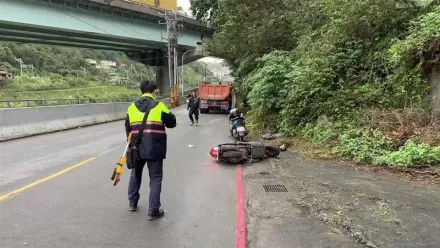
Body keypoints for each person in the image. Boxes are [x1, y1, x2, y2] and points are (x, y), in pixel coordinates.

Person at [124, 80, 177, 220]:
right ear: (153, 91)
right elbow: (172, 122)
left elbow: (127, 129)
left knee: (135, 174)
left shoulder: (131, 107)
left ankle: (132, 202)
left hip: (136, 148)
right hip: (155, 148)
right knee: (155, 178)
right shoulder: (159, 106)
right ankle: (153, 210)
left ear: (141, 91)